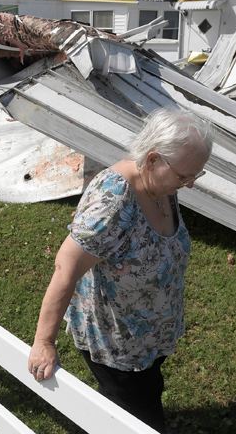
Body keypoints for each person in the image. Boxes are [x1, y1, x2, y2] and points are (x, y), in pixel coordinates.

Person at [27, 106, 214, 433]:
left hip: (149, 337)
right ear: (153, 159)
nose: (190, 184)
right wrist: (44, 341)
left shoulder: (161, 185)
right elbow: (66, 266)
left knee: (144, 393)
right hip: (119, 345)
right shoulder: (114, 200)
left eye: (196, 175)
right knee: (139, 420)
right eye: (185, 176)